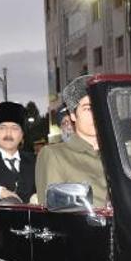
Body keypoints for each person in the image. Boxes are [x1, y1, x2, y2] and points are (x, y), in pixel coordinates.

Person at [35, 75, 109, 208]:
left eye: (101, 106)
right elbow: (55, 211)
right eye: (88, 108)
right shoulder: (54, 155)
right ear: (73, 115)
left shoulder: (120, 156)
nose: (96, 114)